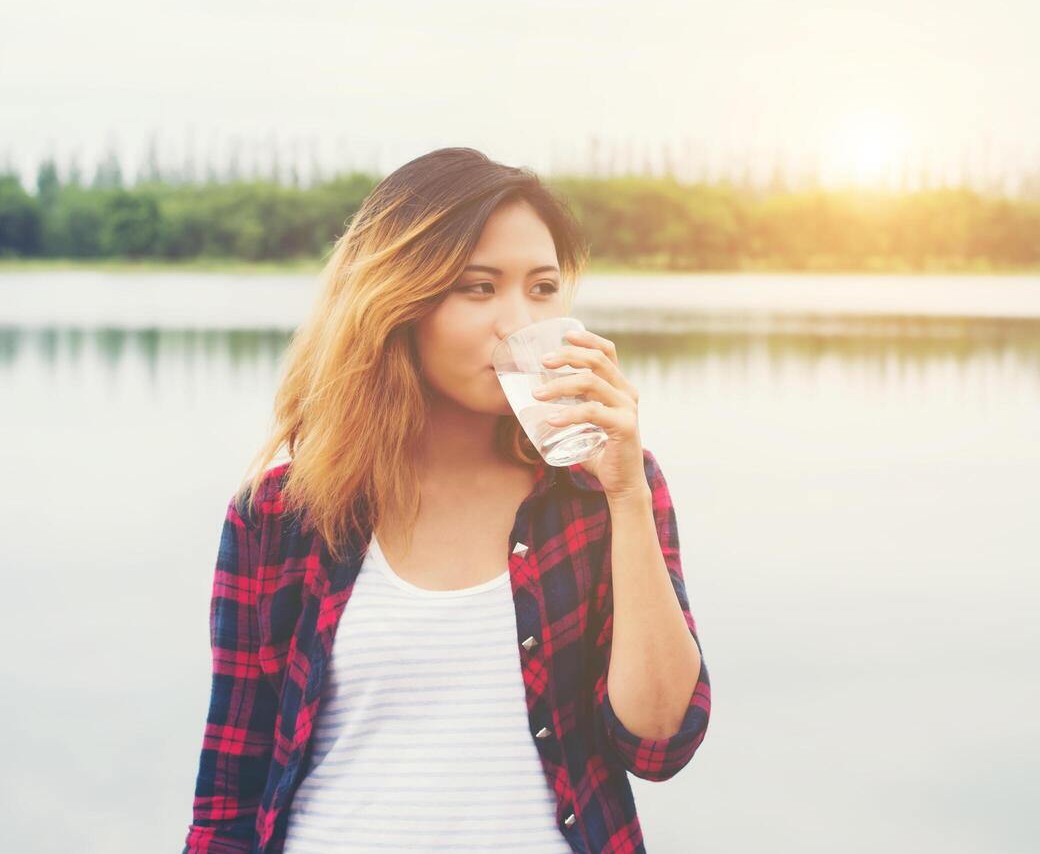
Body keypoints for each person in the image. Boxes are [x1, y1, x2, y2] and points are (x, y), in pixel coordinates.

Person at [182, 147, 712, 853]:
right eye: (478, 288)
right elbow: (229, 793)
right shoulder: (282, 515)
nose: (517, 322)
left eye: (543, 288)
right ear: (398, 300)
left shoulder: (601, 492)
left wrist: (626, 495)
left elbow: (658, 744)